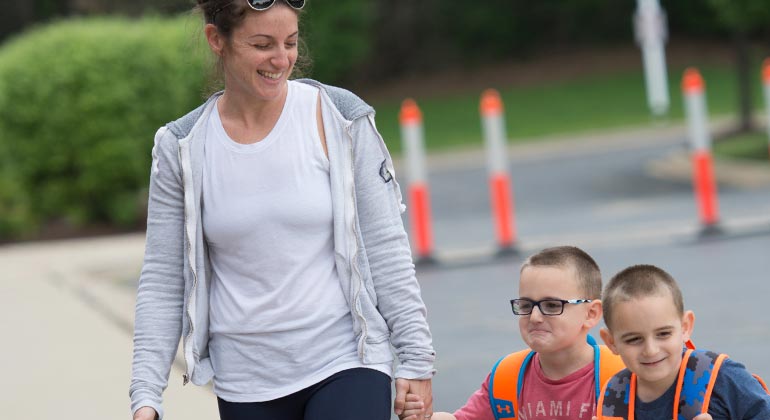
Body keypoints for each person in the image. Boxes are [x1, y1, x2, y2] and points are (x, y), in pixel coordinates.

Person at [128, 1, 435, 419]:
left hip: (346, 359)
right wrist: (146, 395)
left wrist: (415, 355)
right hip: (246, 381)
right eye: (261, 44)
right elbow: (164, 278)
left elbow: (385, 243)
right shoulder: (182, 146)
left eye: (290, 42)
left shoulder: (340, 118)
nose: (281, 58)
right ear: (217, 41)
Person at [402, 245, 625, 420]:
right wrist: (422, 417)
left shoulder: (621, 377)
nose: (535, 317)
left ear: (591, 314)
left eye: (551, 305)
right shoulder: (507, 377)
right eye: (526, 305)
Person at [596, 264, 770, 420]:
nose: (651, 350)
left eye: (663, 334)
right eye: (634, 339)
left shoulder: (723, 378)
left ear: (685, 327)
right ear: (611, 342)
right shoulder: (613, 398)